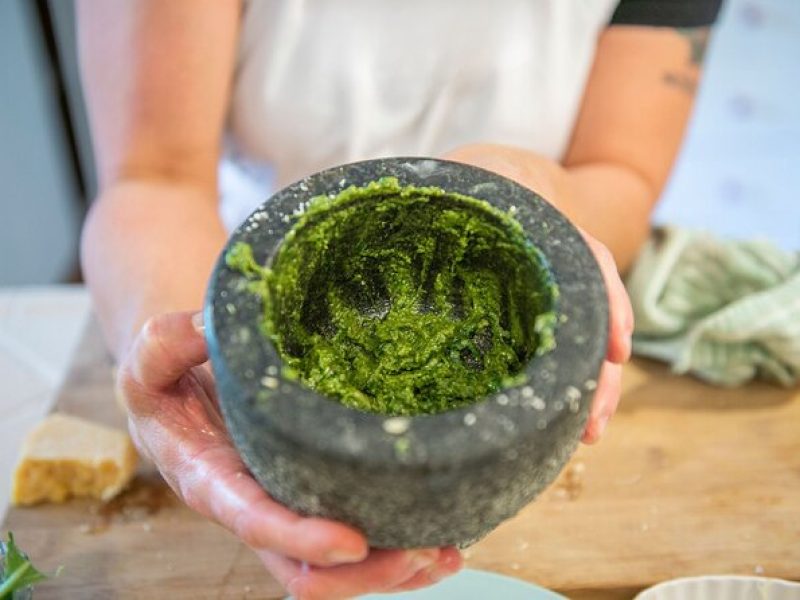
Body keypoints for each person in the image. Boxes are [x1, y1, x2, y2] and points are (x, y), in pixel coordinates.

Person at [76, 0, 721, 597]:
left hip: (529, 249)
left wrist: (527, 184)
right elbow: (153, 178)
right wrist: (202, 366)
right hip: (232, 280)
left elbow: (622, 171)